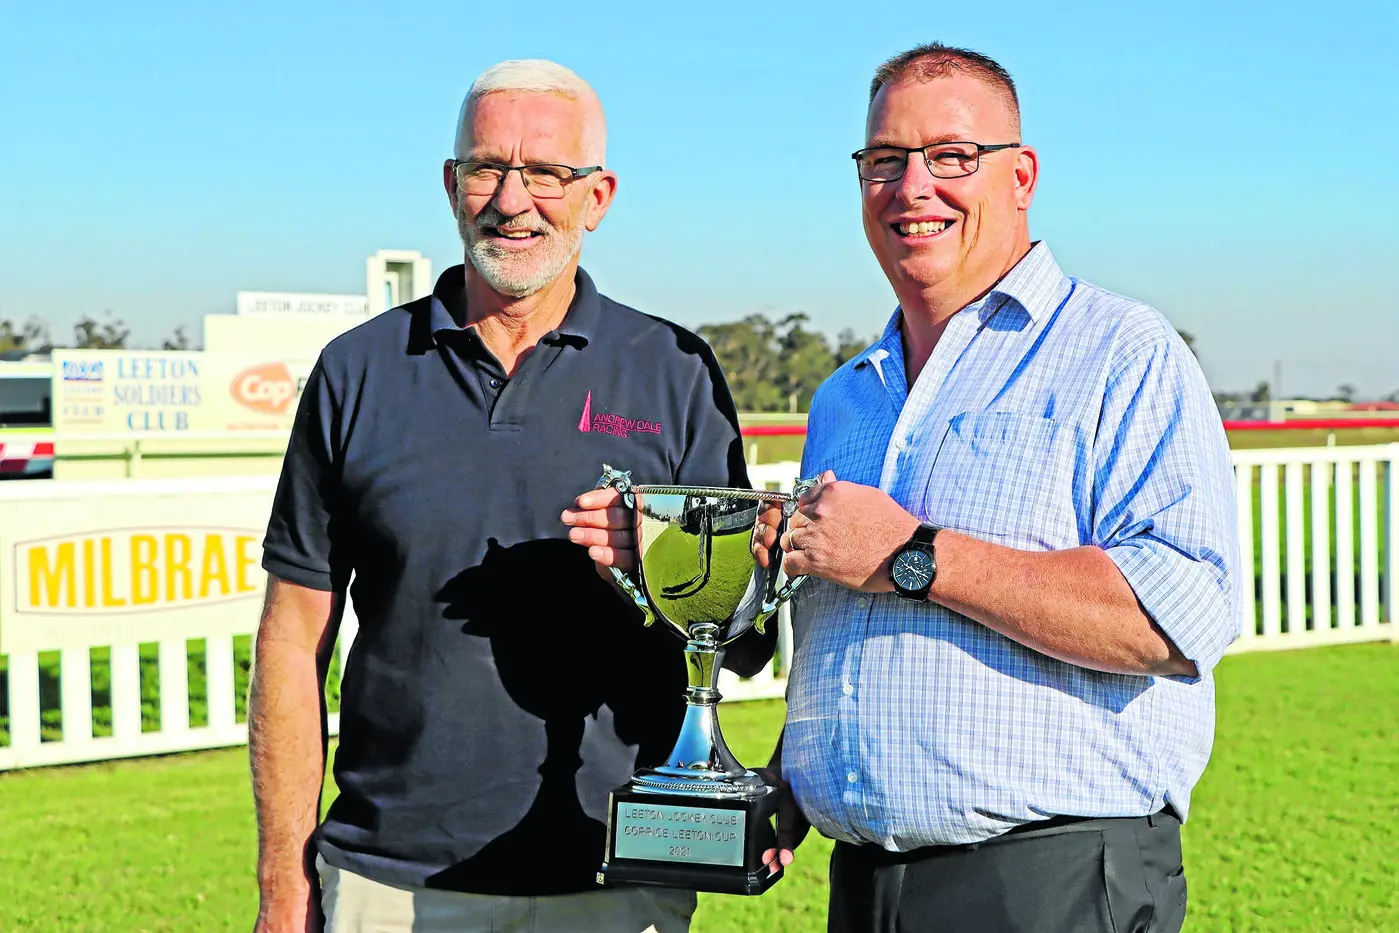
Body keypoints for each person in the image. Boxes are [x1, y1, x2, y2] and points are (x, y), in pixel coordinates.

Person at [248, 58, 766, 933]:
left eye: (547, 174)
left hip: (619, 879)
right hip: (391, 880)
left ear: (597, 197)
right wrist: (281, 880)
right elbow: (292, 637)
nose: (512, 200)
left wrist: (668, 580)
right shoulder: (357, 370)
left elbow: (741, 643)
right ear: (451, 185)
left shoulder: (673, 372)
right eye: (487, 167)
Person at [760, 43, 1242, 933]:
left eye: (951, 157)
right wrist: (793, 775)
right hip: (863, 886)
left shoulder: (1120, 353)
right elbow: (857, 632)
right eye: (883, 160)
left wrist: (910, 555)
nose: (912, 187)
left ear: (1019, 175)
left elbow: (1174, 619)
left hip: (1048, 883)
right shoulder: (846, 396)